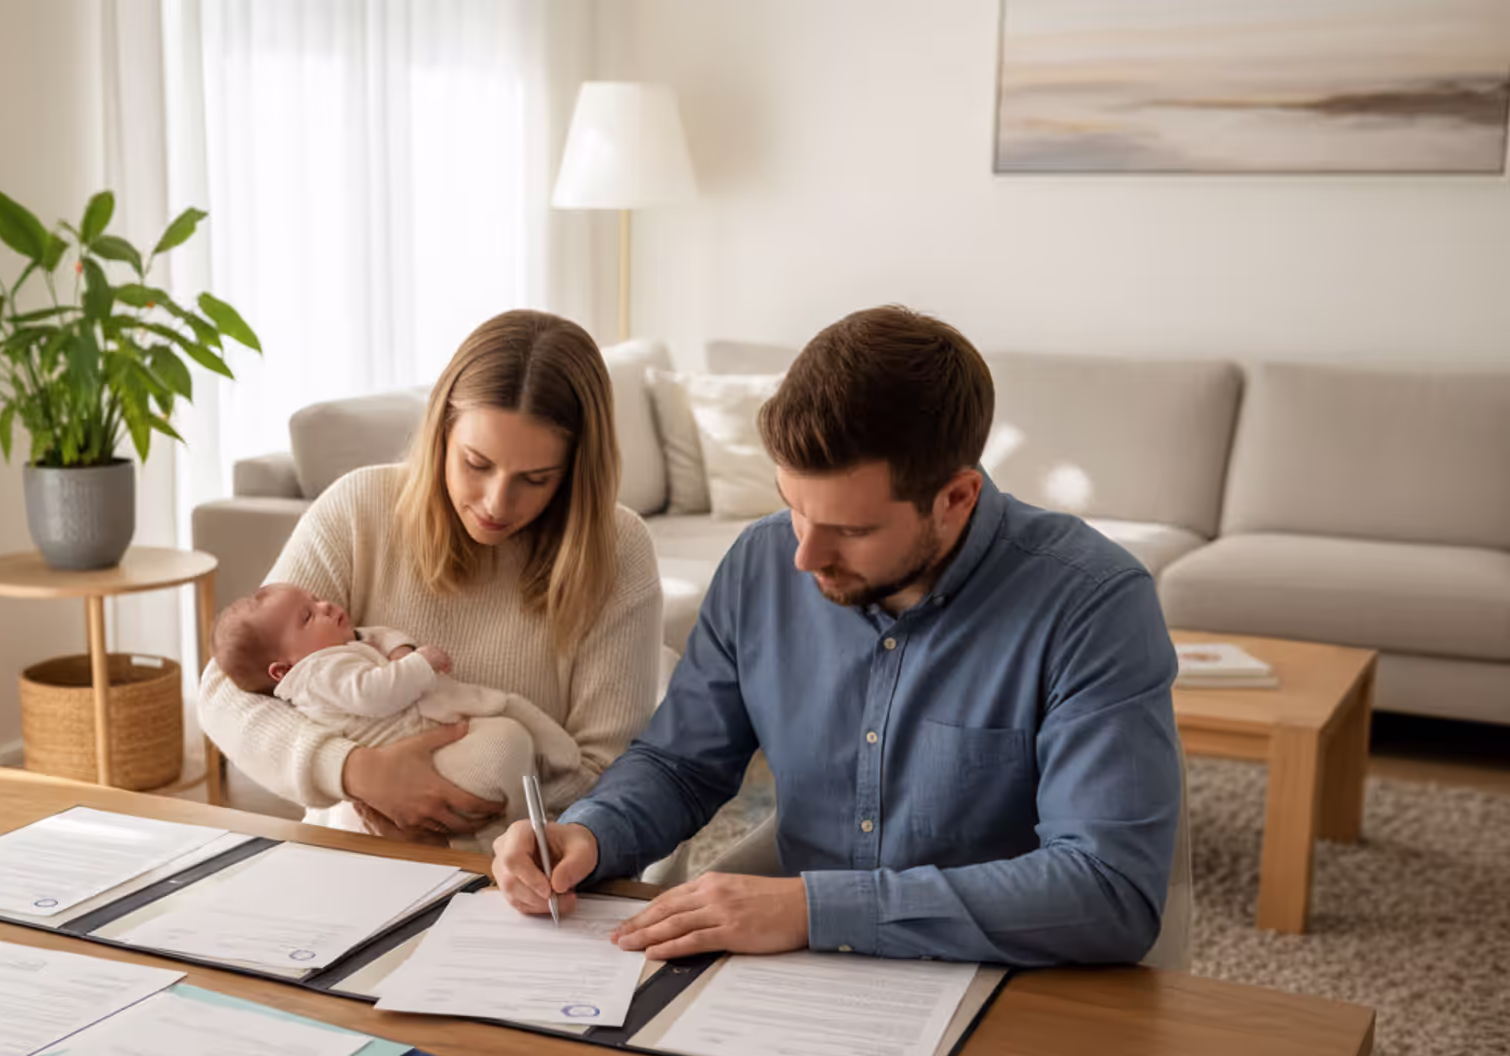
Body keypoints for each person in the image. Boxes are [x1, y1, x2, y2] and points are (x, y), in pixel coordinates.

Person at [492, 305, 1181, 967]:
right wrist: (588, 830)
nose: (804, 557)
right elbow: (682, 763)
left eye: (851, 531)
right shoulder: (761, 564)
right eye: (793, 507)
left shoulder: (1092, 604)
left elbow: (1108, 888)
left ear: (956, 499)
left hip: (1004, 981)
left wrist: (816, 910)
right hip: (799, 971)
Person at [198, 309, 664, 848]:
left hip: (521, 875)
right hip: (354, 855)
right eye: (476, 463)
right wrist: (358, 772)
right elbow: (224, 693)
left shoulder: (619, 549)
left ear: (577, 469)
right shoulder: (360, 509)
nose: (496, 503)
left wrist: (468, 832)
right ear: (442, 430)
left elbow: (607, 771)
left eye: (535, 479)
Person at [209, 581, 582, 837]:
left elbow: (376, 634)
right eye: (307, 616)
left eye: (316, 599)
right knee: (507, 739)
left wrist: (399, 648)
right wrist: (419, 663)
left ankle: (541, 806)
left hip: (430, 755)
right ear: (283, 669)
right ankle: (525, 822)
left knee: (510, 721)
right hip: (412, 774)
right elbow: (374, 692)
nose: (324, 606)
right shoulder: (318, 673)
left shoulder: (333, 648)